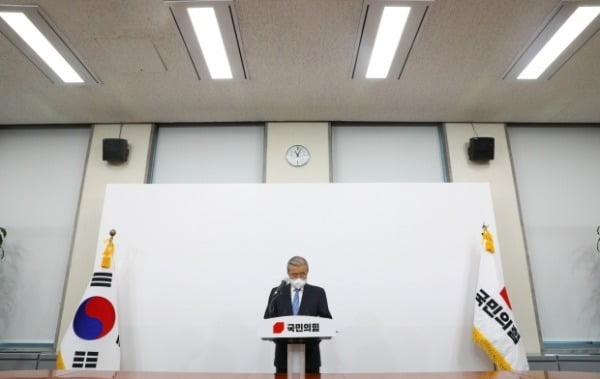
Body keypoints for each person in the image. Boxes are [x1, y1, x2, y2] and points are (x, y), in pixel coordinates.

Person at [264, 256, 332, 374]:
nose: (299, 278)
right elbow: (267, 320)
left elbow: (327, 320)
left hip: (310, 356)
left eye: (302, 274)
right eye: (294, 275)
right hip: (283, 356)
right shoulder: (277, 292)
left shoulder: (318, 293)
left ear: (307, 272)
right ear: (288, 274)